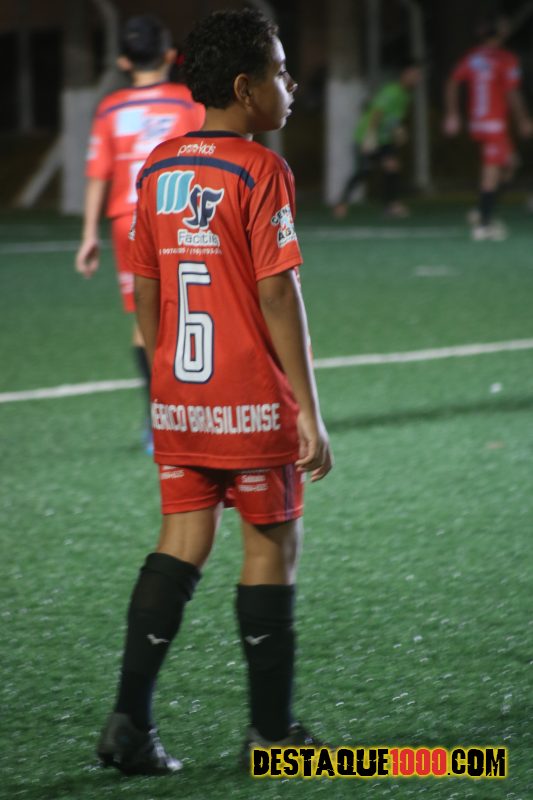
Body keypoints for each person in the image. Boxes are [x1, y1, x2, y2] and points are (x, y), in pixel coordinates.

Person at [96, 8, 333, 776]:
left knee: (181, 541)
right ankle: (271, 736)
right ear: (244, 87)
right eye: (279, 71)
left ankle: (129, 721)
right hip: (250, 400)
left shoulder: (158, 165)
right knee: (271, 545)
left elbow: (146, 286)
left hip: (179, 397)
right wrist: (307, 410)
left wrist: (165, 373)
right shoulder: (261, 169)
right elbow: (277, 292)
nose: (289, 84)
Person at [75, 15, 205, 451]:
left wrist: (88, 234)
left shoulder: (110, 109)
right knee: (195, 306)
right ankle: (196, 410)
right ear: (169, 56)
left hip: (125, 221)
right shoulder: (188, 102)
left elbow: (98, 173)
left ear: (123, 62)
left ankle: (158, 419)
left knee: (145, 317)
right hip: (179, 214)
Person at [443, 17, 531, 241]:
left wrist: (453, 114)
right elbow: (512, 93)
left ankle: (481, 211)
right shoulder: (505, 59)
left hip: (477, 122)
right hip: (494, 124)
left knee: (511, 164)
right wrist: (523, 119)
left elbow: (452, 81)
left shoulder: (472, 57)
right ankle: (484, 225)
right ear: (499, 35)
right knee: (491, 171)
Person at [333, 62, 422, 219]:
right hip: (367, 136)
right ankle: (342, 203)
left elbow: (392, 117)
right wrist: (370, 136)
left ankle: (391, 205)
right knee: (363, 171)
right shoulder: (392, 91)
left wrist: (399, 129)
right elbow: (377, 112)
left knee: (392, 167)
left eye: (418, 76)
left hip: (384, 139)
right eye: (413, 74)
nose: (416, 78)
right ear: (404, 74)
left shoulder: (406, 95)